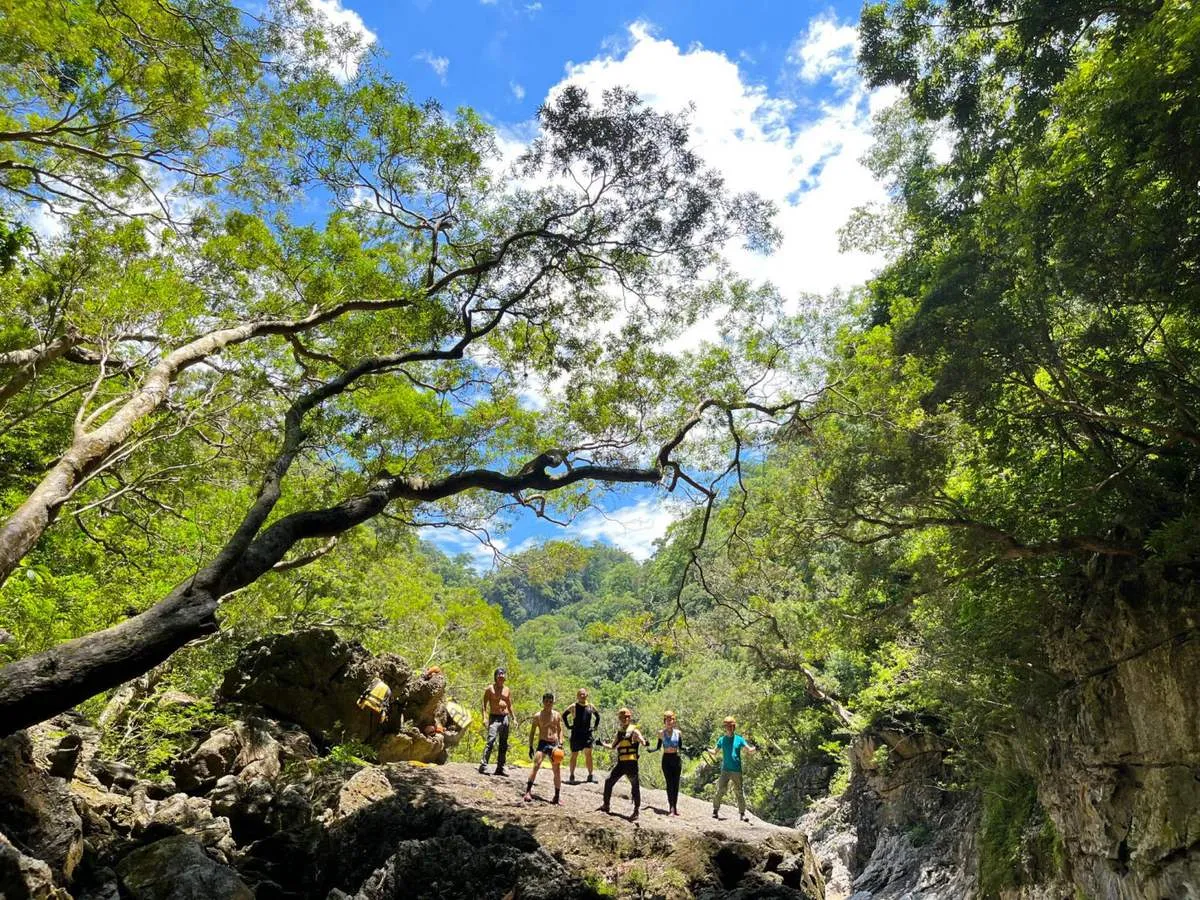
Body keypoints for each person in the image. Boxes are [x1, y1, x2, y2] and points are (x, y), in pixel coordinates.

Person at [598, 707, 646, 821]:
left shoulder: (634, 731)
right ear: (620, 718)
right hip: (621, 763)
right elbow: (613, 746)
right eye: (624, 717)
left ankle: (636, 810)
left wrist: (643, 742)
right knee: (608, 781)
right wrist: (602, 744)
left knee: (635, 787)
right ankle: (606, 805)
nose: (626, 719)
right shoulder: (620, 733)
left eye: (628, 717)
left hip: (631, 763)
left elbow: (641, 740)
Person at [711, 715, 756, 822]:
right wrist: (706, 749)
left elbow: (748, 750)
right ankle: (715, 810)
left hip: (736, 770)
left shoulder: (739, 739)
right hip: (725, 769)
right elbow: (715, 751)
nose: (730, 728)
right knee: (721, 790)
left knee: (739, 792)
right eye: (728, 726)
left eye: (731, 726)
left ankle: (742, 814)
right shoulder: (722, 740)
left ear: (734, 726)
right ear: (725, 727)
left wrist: (755, 749)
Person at [524, 691, 565, 804]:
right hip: (543, 742)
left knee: (556, 770)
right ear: (543, 702)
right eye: (546, 701)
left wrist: (561, 743)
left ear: (553, 702)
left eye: (550, 701)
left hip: (554, 744)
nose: (548, 703)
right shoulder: (538, 716)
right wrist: (531, 746)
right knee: (536, 765)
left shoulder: (557, 715)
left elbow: (560, 730)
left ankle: (556, 796)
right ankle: (528, 791)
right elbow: (532, 732)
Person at [646, 710, 683, 816]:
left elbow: (681, 747)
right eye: (667, 720)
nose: (669, 722)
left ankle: (675, 808)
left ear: (674, 721)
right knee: (669, 784)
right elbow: (658, 747)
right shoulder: (661, 733)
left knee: (676, 785)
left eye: (671, 720)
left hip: (676, 759)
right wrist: (651, 750)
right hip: (666, 759)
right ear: (664, 721)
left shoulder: (678, 733)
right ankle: (671, 807)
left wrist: (691, 748)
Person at [562, 687, 601, 784]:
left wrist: (594, 727)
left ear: (587, 695)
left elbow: (598, 716)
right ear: (577, 696)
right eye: (580, 694)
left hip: (587, 734)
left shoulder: (591, 706)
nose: (582, 696)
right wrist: (568, 726)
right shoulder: (573, 706)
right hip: (576, 734)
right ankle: (571, 775)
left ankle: (590, 775)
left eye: (584, 694)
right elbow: (564, 715)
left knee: (588, 754)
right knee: (574, 754)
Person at [479, 667, 513, 776]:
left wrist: (514, 717)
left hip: (505, 718)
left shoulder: (507, 689)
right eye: (500, 674)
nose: (502, 675)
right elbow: (484, 705)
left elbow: (509, 704)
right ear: (496, 676)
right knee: (491, 740)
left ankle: (500, 767)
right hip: (494, 717)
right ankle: (483, 765)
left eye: (503, 674)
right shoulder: (490, 689)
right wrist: (484, 718)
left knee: (503, 743)